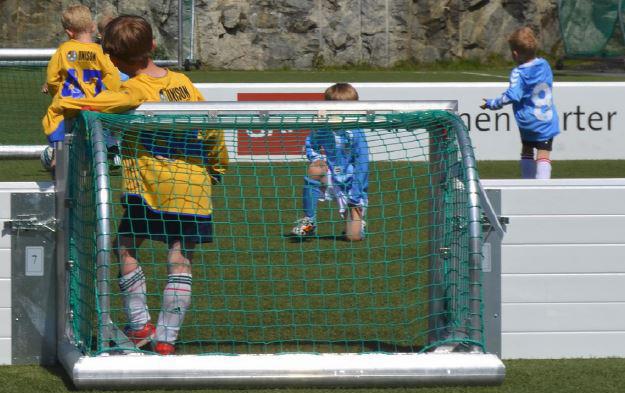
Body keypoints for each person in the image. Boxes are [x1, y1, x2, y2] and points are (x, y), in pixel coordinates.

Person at [43, 15, 229, 355]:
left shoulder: (131, 91)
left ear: (112, 59)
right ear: (154, 46)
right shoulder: (185, 84)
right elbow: (212, 125)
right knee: (181, 257)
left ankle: (140, 321)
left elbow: (94, 104)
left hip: (151, 188)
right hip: (193, 188)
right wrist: (217, 164)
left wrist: (60, 102)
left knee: (125, 246)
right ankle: (166, 340)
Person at [41, 4, 122, 170]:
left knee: (54, 117)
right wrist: (107, 93)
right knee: (94, 131)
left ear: (69, 32)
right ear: (92, 27)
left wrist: (56, 93)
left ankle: (58, 151)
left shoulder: (64, 50)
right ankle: (99, 158)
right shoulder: (100, 52)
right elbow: (113, 76)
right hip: (94, 103)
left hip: (70, 102)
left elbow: (52, 77)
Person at [291, 83, 369, 241]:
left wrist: (356, 194)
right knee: (315, 169)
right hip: (330, 175)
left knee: (353, 237)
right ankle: (309, 221)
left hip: (350, 182)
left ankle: (358, 223)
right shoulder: (323, 127)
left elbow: (363, 163)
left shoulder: (356, 131)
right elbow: (310, 145)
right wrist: (318, 159)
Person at [481, 26, 560, 179]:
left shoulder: (519, 72)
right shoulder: (545, 65)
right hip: (546, 118)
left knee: (527, 149)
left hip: (528, 120)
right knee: (544, 153)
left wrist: (493, 103)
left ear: (515, 54)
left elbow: (513, 95)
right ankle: (543, 188)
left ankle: (527, 183)